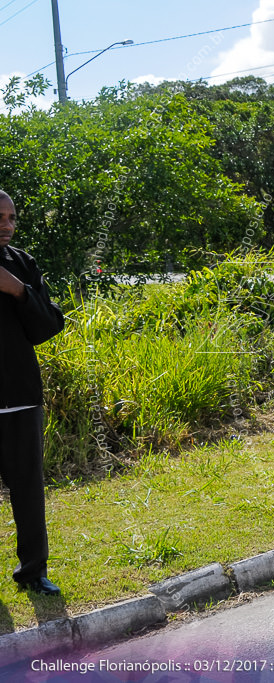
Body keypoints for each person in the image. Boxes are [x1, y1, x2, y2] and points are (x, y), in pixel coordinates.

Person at [0, 190, 65, 596]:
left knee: (28, 489)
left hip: (21, 397)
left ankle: (34, 572)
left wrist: (18, 291)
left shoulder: (22, 265)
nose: (6, 225)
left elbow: (49, 326)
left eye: (11, 217)